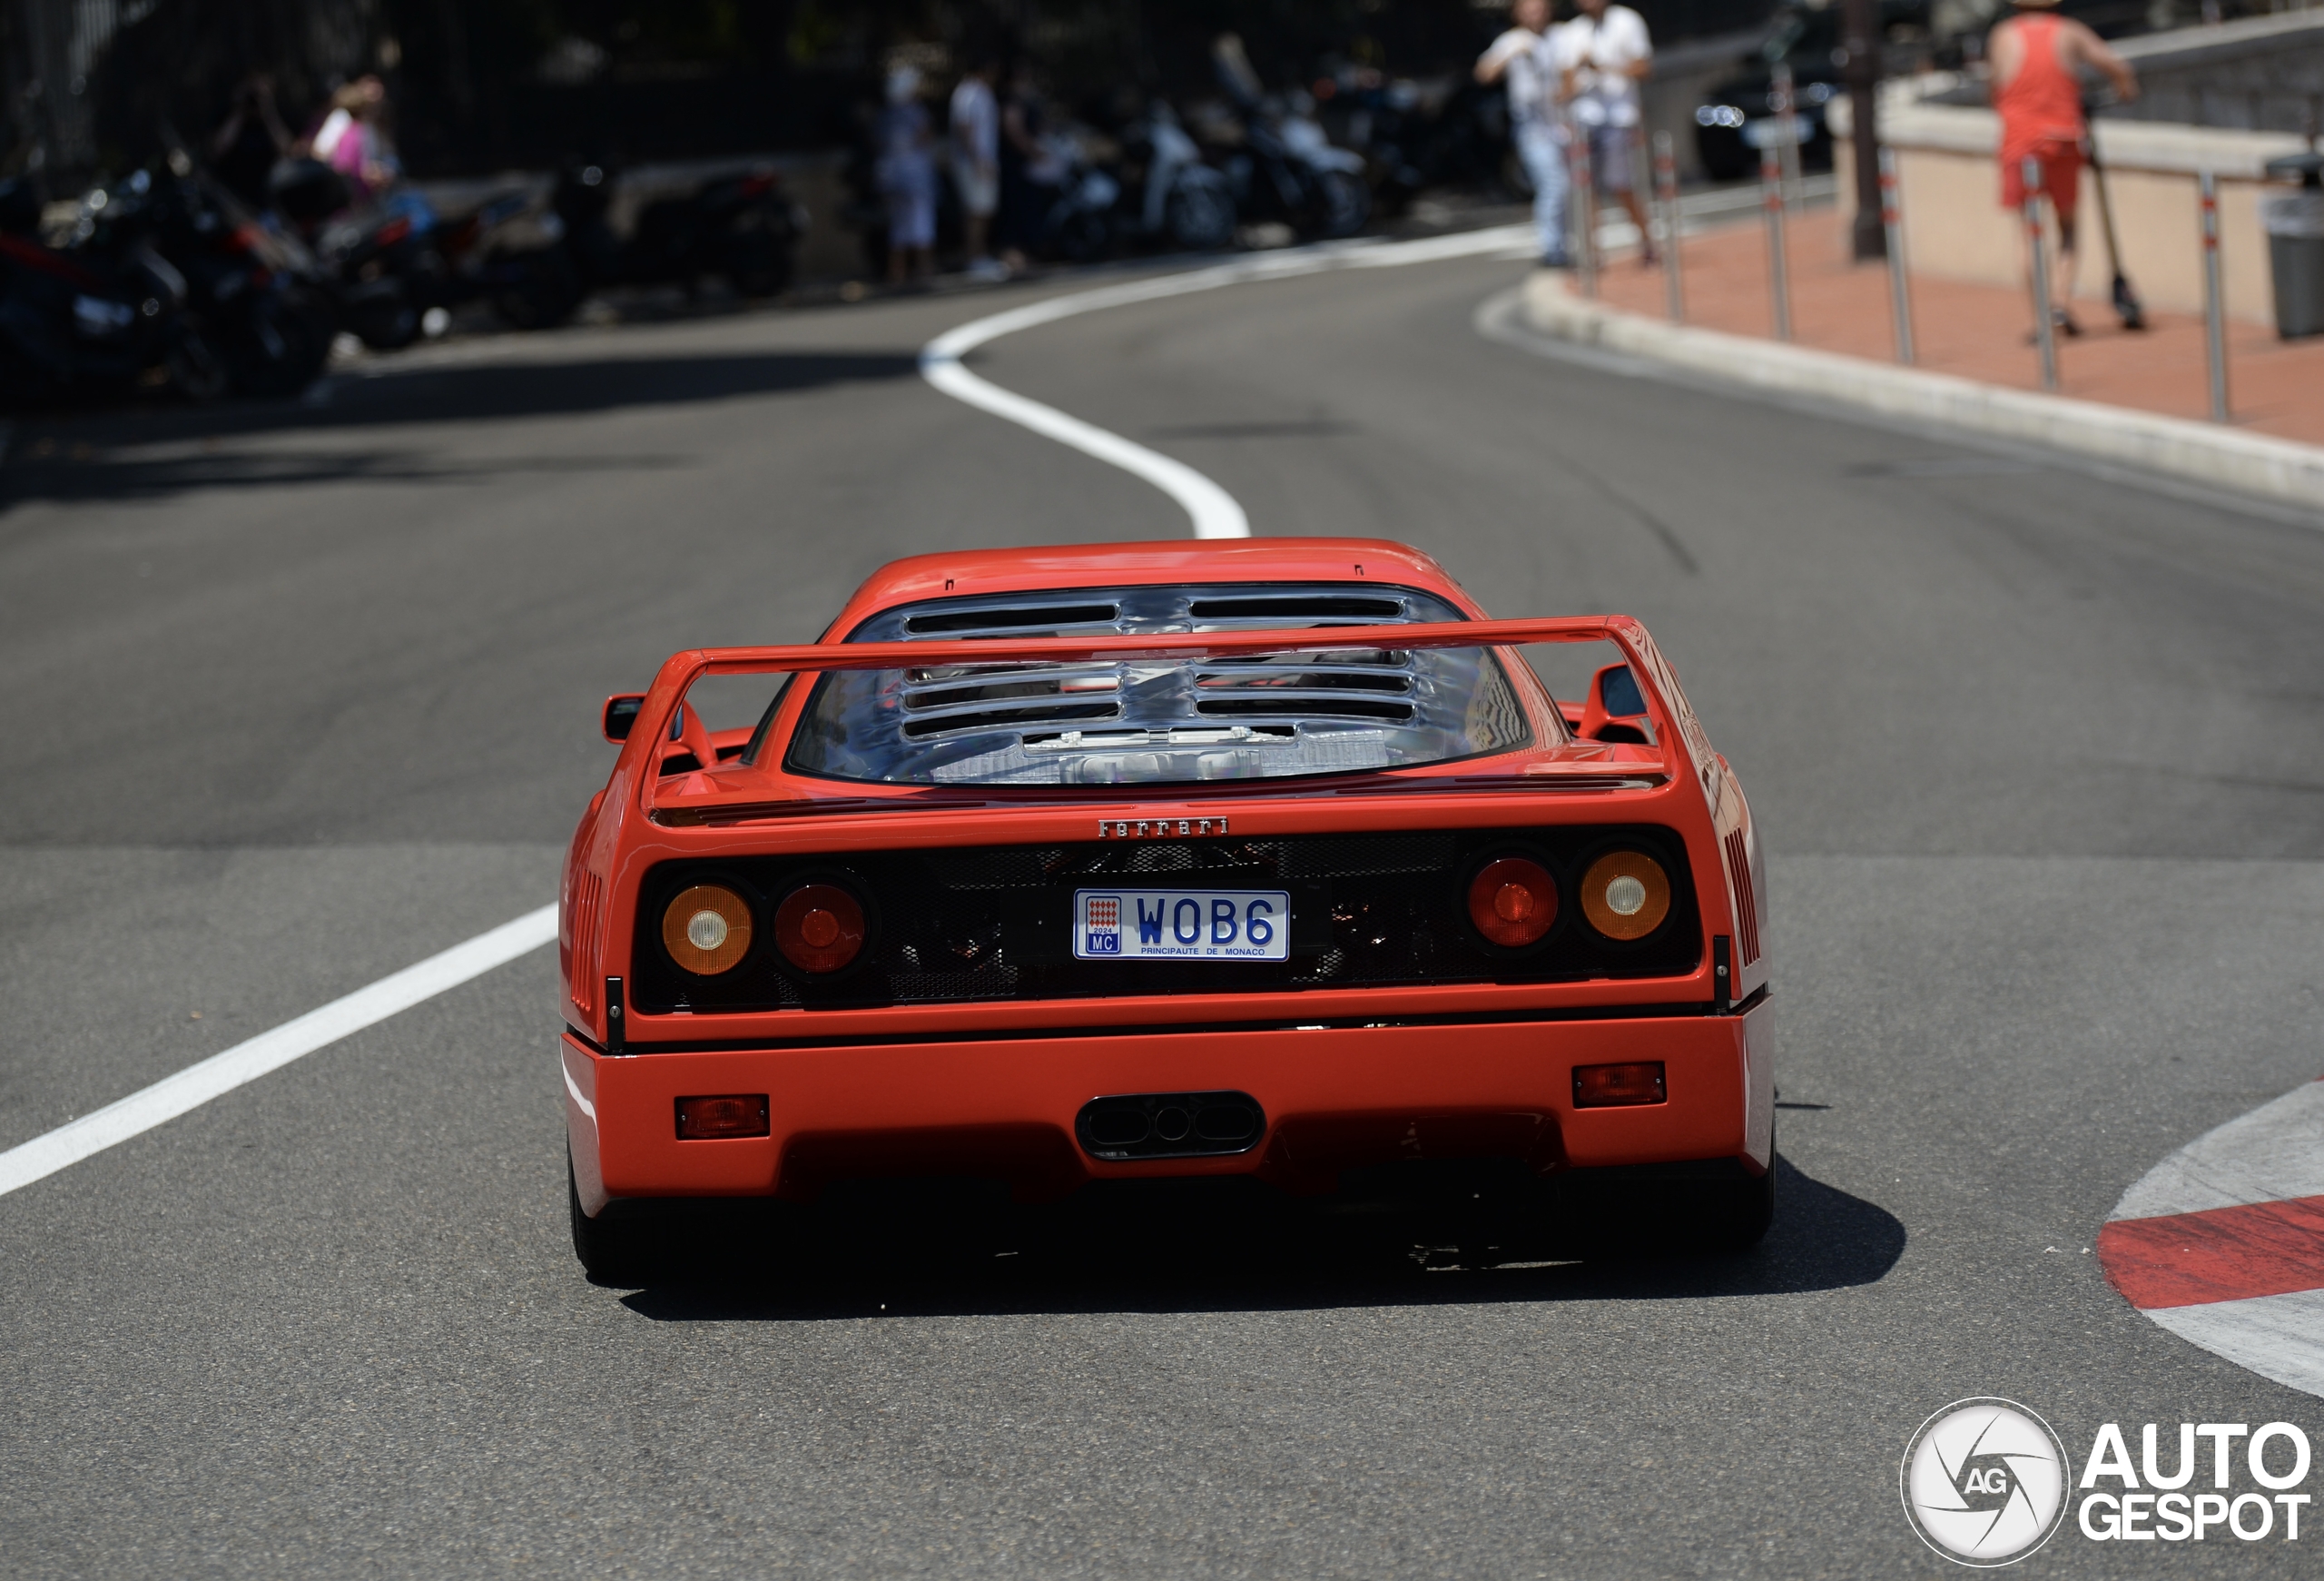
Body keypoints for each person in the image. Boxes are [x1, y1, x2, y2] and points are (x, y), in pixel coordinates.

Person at [1988, 0, 2137, 337]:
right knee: (2067, 226)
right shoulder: (2068, 32)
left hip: (2019, 142)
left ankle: (2040, 315)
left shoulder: (2003, 36)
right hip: (2062, 139)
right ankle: (2059, 302)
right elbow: (2119, 68)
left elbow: (1995, 86)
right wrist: (2125, 91)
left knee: (2028, 232)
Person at [1475, 0, 1570, 269]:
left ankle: (1572, 245)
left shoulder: (1561, 35)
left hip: (1565, 123)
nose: (1534, 14)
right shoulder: (1512, 40)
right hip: (1532, 127)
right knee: (1553, 183)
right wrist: (1510, 54)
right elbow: (1483, 73)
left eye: (1539, 8)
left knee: (1573, 187)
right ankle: (1552, 249)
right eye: (1528, 9)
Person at [1561, 0, 1655, 265]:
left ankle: (1647, 241)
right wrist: (1580, 71)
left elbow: (1644, 67)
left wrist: (1604, 67)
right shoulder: (1572, 32)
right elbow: (1564, 84)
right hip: (1585, 119)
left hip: (1619, 117)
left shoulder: (1627, 21)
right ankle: (1593, 252)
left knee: (1621, 184)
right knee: (1586, 188)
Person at [874, 65, 938, 285]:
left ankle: (897, 273)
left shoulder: (885, 115)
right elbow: (925, 137)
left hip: (891, 178)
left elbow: (879, 144)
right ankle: (925, 270)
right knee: (922, 224)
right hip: (915, 177)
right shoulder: (915, 111)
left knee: (898, 227)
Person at [949, 56, 1005, 281]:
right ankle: (975, 259)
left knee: (983, 211)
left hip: (981, 161)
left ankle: (979, 256)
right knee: (976, 211)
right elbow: (964, 127)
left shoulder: (978, 92)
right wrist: (977, 160)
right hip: (973, 163)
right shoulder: (969, 92)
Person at [208, 73, 291, 213]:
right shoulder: (226, 116)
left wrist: (268, 111)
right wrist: (239, 111)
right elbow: (217, 150)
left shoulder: (275, 118)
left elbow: (287, 152)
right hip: (231, 198)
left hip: (267, 201)